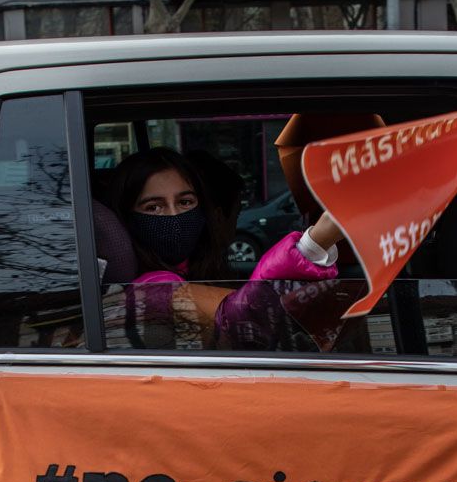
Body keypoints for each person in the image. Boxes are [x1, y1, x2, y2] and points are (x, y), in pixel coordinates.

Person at [102, 147, 349, 350]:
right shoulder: (152, 289)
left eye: (185, 201)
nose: (175, 215)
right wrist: (315, 242)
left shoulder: (192, 271)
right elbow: (238, 318)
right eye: (154, 207)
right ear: (127, 219)